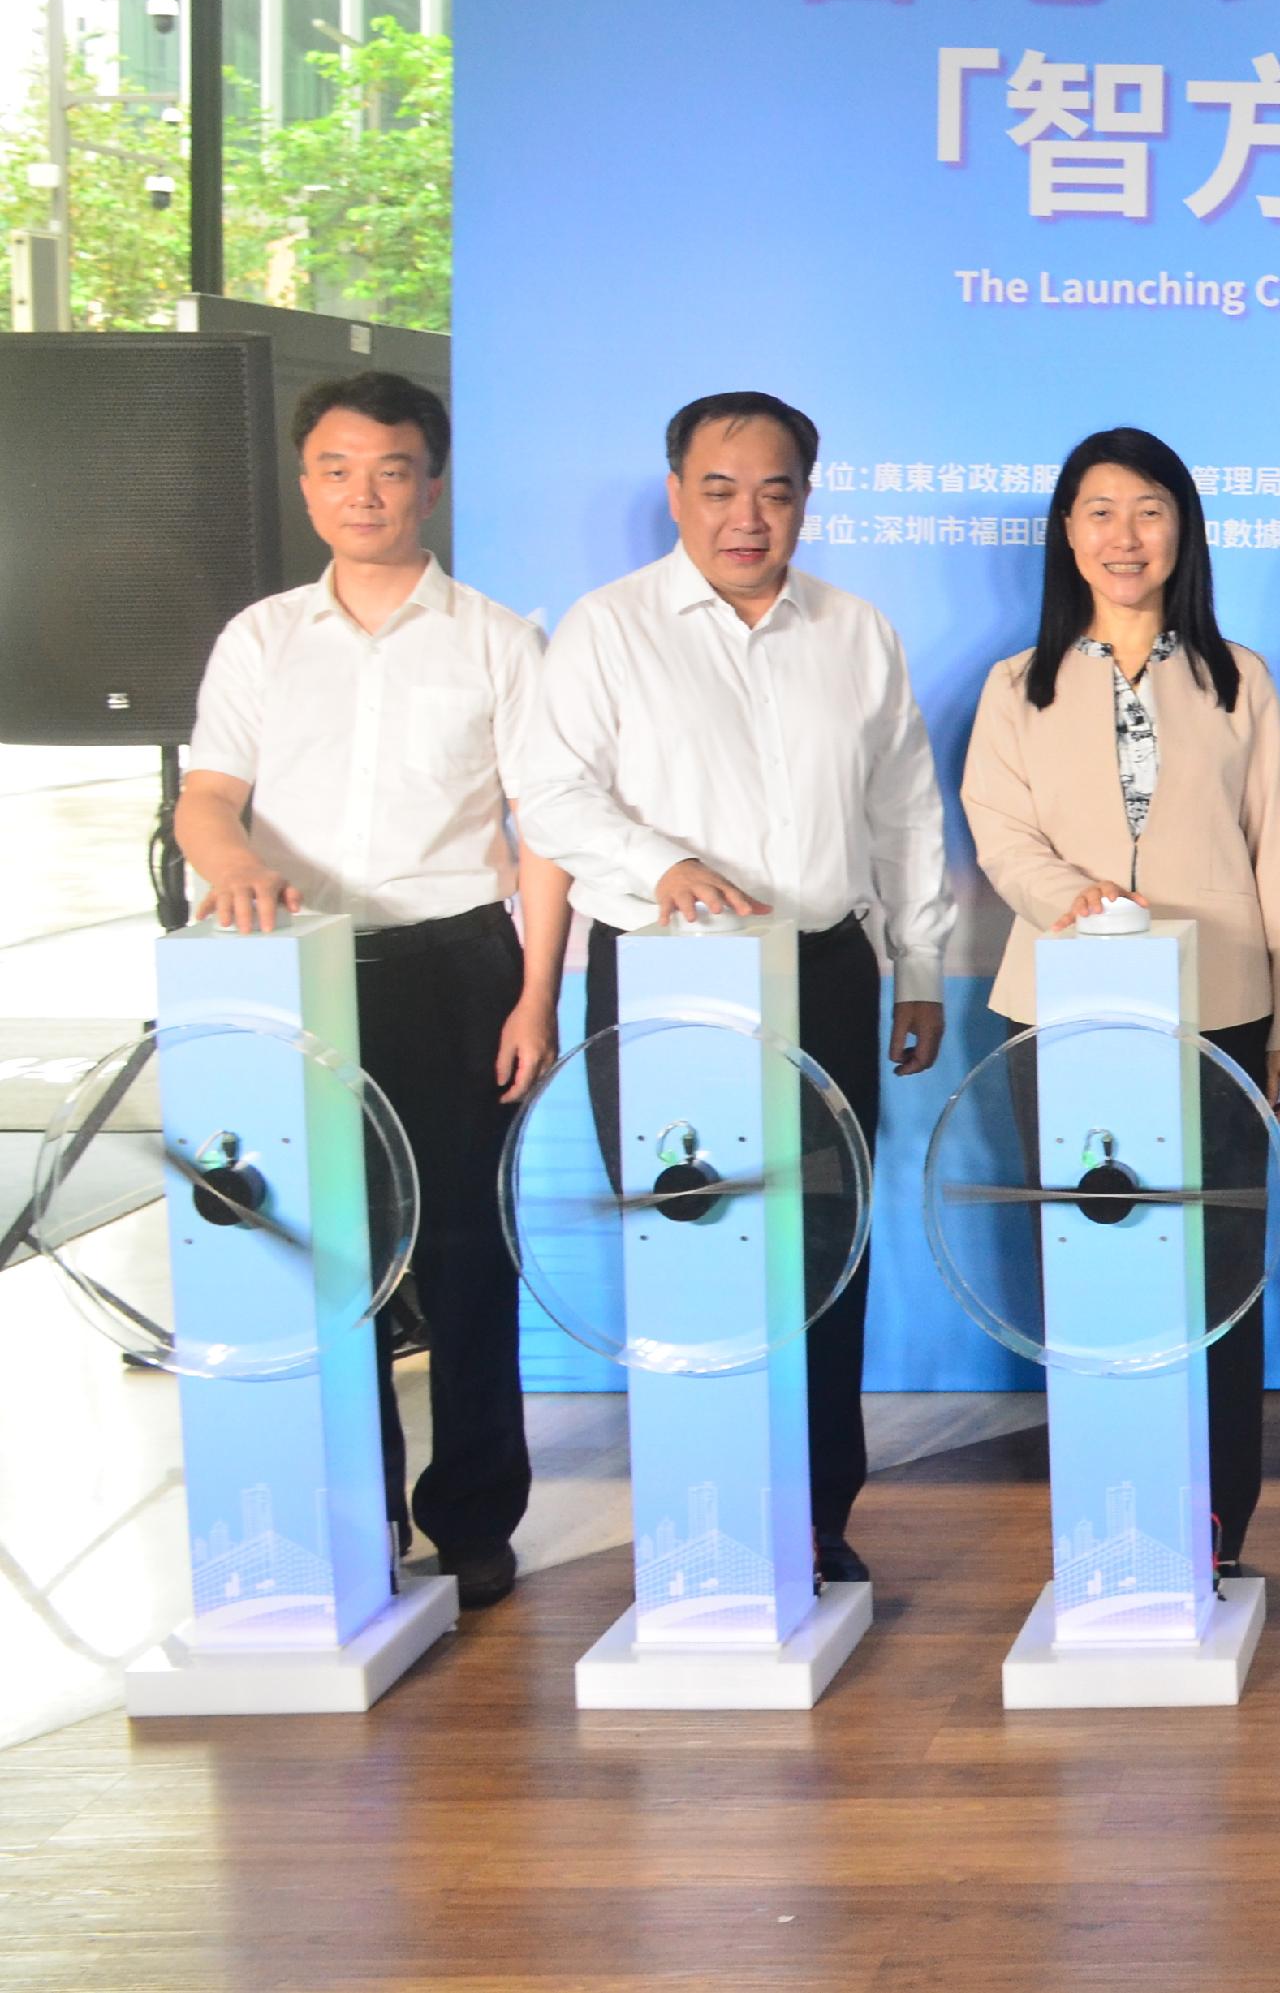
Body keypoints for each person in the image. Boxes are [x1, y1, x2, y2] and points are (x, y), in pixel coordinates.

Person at [509, 391, 951, 1587]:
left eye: (775, 490)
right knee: (691, 1240)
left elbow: (904, 809)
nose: (746, 516)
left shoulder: (856, 630)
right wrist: (667, 868)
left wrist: (918, 964)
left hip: (818, 967)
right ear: (676, 494)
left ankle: (813, 1524)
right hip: (663, 981)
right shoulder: (607, 630)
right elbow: (551, 796)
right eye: (720, 488)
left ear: (807, 497)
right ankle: (703, 1525)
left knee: (820, 1252)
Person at [173, 372, 574, 1613]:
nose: (364, 491)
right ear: (306, 484)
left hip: (457, 964)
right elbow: (207, 796)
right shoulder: (260, 637)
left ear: (432, 481)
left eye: (391, 467)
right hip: (297, 967)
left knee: (465, 1256)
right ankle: (353, 1517)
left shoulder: (501, 639)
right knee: (317, 1252)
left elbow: (546, 831)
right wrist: (231, 865)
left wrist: (536, 997)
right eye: (338, 468)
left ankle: (473, 1522)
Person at [961, 429, 1280, 1578]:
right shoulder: (1018, 686)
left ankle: (1214, 1530)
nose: (1125, 536)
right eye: (1099, 511)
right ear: (1066, 532)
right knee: (1095, 1268)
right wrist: (1075, 900)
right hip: (1064, 1011)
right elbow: (1000, 832)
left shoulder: (1237, 678)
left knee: (1218, 1281)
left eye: (1149, 510)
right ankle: (1115, 1521)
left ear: (1184, 532)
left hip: (1219, 1014)